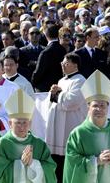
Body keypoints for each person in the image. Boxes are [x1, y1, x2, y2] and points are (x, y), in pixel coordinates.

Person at [63, 70, 110, 183]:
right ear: (88, 107)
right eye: (95, 106)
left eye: (102, 105)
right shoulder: (78, 134)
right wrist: (96, 161)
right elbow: (72, 164)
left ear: (108, 107)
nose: (99, 109)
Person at [0, 89, 57, 183]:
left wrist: (33, 164)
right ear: (10, 123)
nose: (22, 126)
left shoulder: (39, 144)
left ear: (30, 124)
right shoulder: (2, 144)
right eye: (18, 123)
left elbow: (50, 170)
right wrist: (20, 164)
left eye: (25, 123)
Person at [45, 53, 87, 183]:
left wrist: (58, 92)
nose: (62, 65)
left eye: (66, 63)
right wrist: (52, 93)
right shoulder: (62, 81)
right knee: (57, 159)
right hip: (58, 126)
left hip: (71, 124)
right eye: (62, 63)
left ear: (75, 65)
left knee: (68, 159)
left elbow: (71, 102)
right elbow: (54, 101)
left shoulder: (80, 81)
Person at [32, 25, 66, 92]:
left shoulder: (45, 52)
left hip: (45, 89)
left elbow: (39, 71)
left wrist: (33, 82)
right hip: (59, 87)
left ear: (45, 35)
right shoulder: (63, 50)